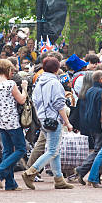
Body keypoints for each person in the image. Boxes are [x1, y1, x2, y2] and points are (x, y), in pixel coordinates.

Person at [22, 56, 74, 190]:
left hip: (43, 119)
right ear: (57, 69)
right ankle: (31, 172)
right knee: (52, 150)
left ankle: (59, 179)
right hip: (54, 119)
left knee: (55, 150)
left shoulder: (38, 81)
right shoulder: (55, 83)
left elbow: (35, 100)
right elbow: (59, 104)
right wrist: (67, 122)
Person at [0, 58, 28, 191]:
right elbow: (22, 100)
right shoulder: (10, 84)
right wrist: (24, 88)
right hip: (11, 120)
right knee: (21, 149)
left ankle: (10, 183)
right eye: (11, 69)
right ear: (7, 70)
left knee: (7, 150)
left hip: (0, 120)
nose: (13, 72)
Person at [75, 70, 102, 185]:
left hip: (90, 123)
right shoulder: (101, 91)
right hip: (98, 124)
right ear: (100, 80)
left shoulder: (89, 90)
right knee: (99, 150)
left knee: (100, 150)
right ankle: (82, 170)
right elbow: (101, 110)